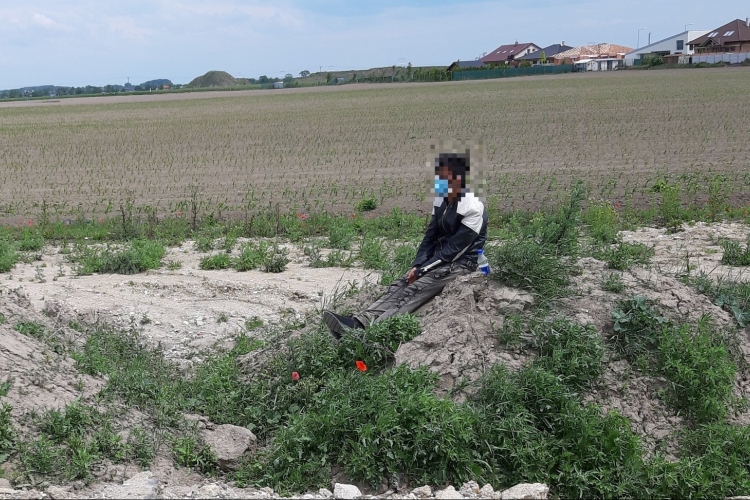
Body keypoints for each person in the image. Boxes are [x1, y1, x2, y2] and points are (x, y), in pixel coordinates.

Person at [322, 152, 489, 339]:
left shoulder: (472, 208)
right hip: (439, 259)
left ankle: (372, 333)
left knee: (415, 288)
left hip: (460, 264)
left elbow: (455, 250)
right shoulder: (441, 199)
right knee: (399, 285)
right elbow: (430, 237)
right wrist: (418, 265)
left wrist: (423, 270)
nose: (438, 181)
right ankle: (358, 323)